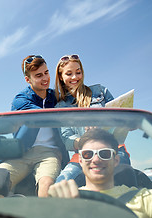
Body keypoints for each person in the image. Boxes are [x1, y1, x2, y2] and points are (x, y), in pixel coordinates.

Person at [48, 128, 152, 218]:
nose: (96, 159)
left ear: (116, 160)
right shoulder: (67, 200)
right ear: (80, 160)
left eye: (105, 153)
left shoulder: (141, 198)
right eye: (88, 154)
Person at [0, 55, 69, 197]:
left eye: (46, 73)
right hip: (22, 153)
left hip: (50, 152)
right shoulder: (21, 100)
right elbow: (41, 116)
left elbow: (76, 101)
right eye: (39, 75)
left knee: (46, 186)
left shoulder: (56, 97)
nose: (45, 78)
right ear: (28, 79)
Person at [54, 54, 130, 183]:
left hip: (113, 150)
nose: (74, 77)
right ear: (61, 77)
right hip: (84, 154)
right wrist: (85, 140)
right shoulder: (60, 106)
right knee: (62, 183)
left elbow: (120, 119)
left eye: (78, 72)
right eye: (69, 73)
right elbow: (66, 139)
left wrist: (127, 122)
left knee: (122, 177)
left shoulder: (100, 91)